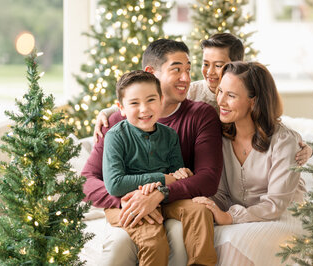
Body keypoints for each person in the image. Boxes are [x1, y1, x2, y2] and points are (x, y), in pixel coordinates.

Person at [82, 39, 222, 266]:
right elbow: (88, 181)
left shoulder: (196, 117)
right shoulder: (116, 125)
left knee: (199, 210)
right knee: (143, 242)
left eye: (188, 69)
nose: (186, 78)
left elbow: (202, 178)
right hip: (125, 202)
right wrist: (131, 200)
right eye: (176, 69)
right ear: (151, 73)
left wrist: (159, 192)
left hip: (167, 197)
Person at [94, 33, 311, 165]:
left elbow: (274, 126)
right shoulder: (191, 91)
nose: (210, 72)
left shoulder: (248, 95)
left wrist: (306, 148)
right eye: (205, 64)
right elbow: (148, 100)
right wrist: (108, 112)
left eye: (219, 65)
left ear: (236, 65)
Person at [193, 61, 306, 226]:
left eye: (231, 95)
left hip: (284, 220)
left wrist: (231, 217)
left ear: (253, 101)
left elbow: (275, 205)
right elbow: (222, 195)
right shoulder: (221, 137)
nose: (221, 101)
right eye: (221, 91)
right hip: (243, 218)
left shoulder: (284, 141)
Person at [102, 70, 195, 265]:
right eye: (134, 103)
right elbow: (115, 184)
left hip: (158, 199)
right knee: (153, 242)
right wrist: (162, 178)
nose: (144, 109)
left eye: (151, 100)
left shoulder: (169, 136)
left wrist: (182, 174)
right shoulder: (115, 136)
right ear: (121, 108)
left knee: (198, 211)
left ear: (161, 100)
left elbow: (176, 176)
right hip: (123, 202)